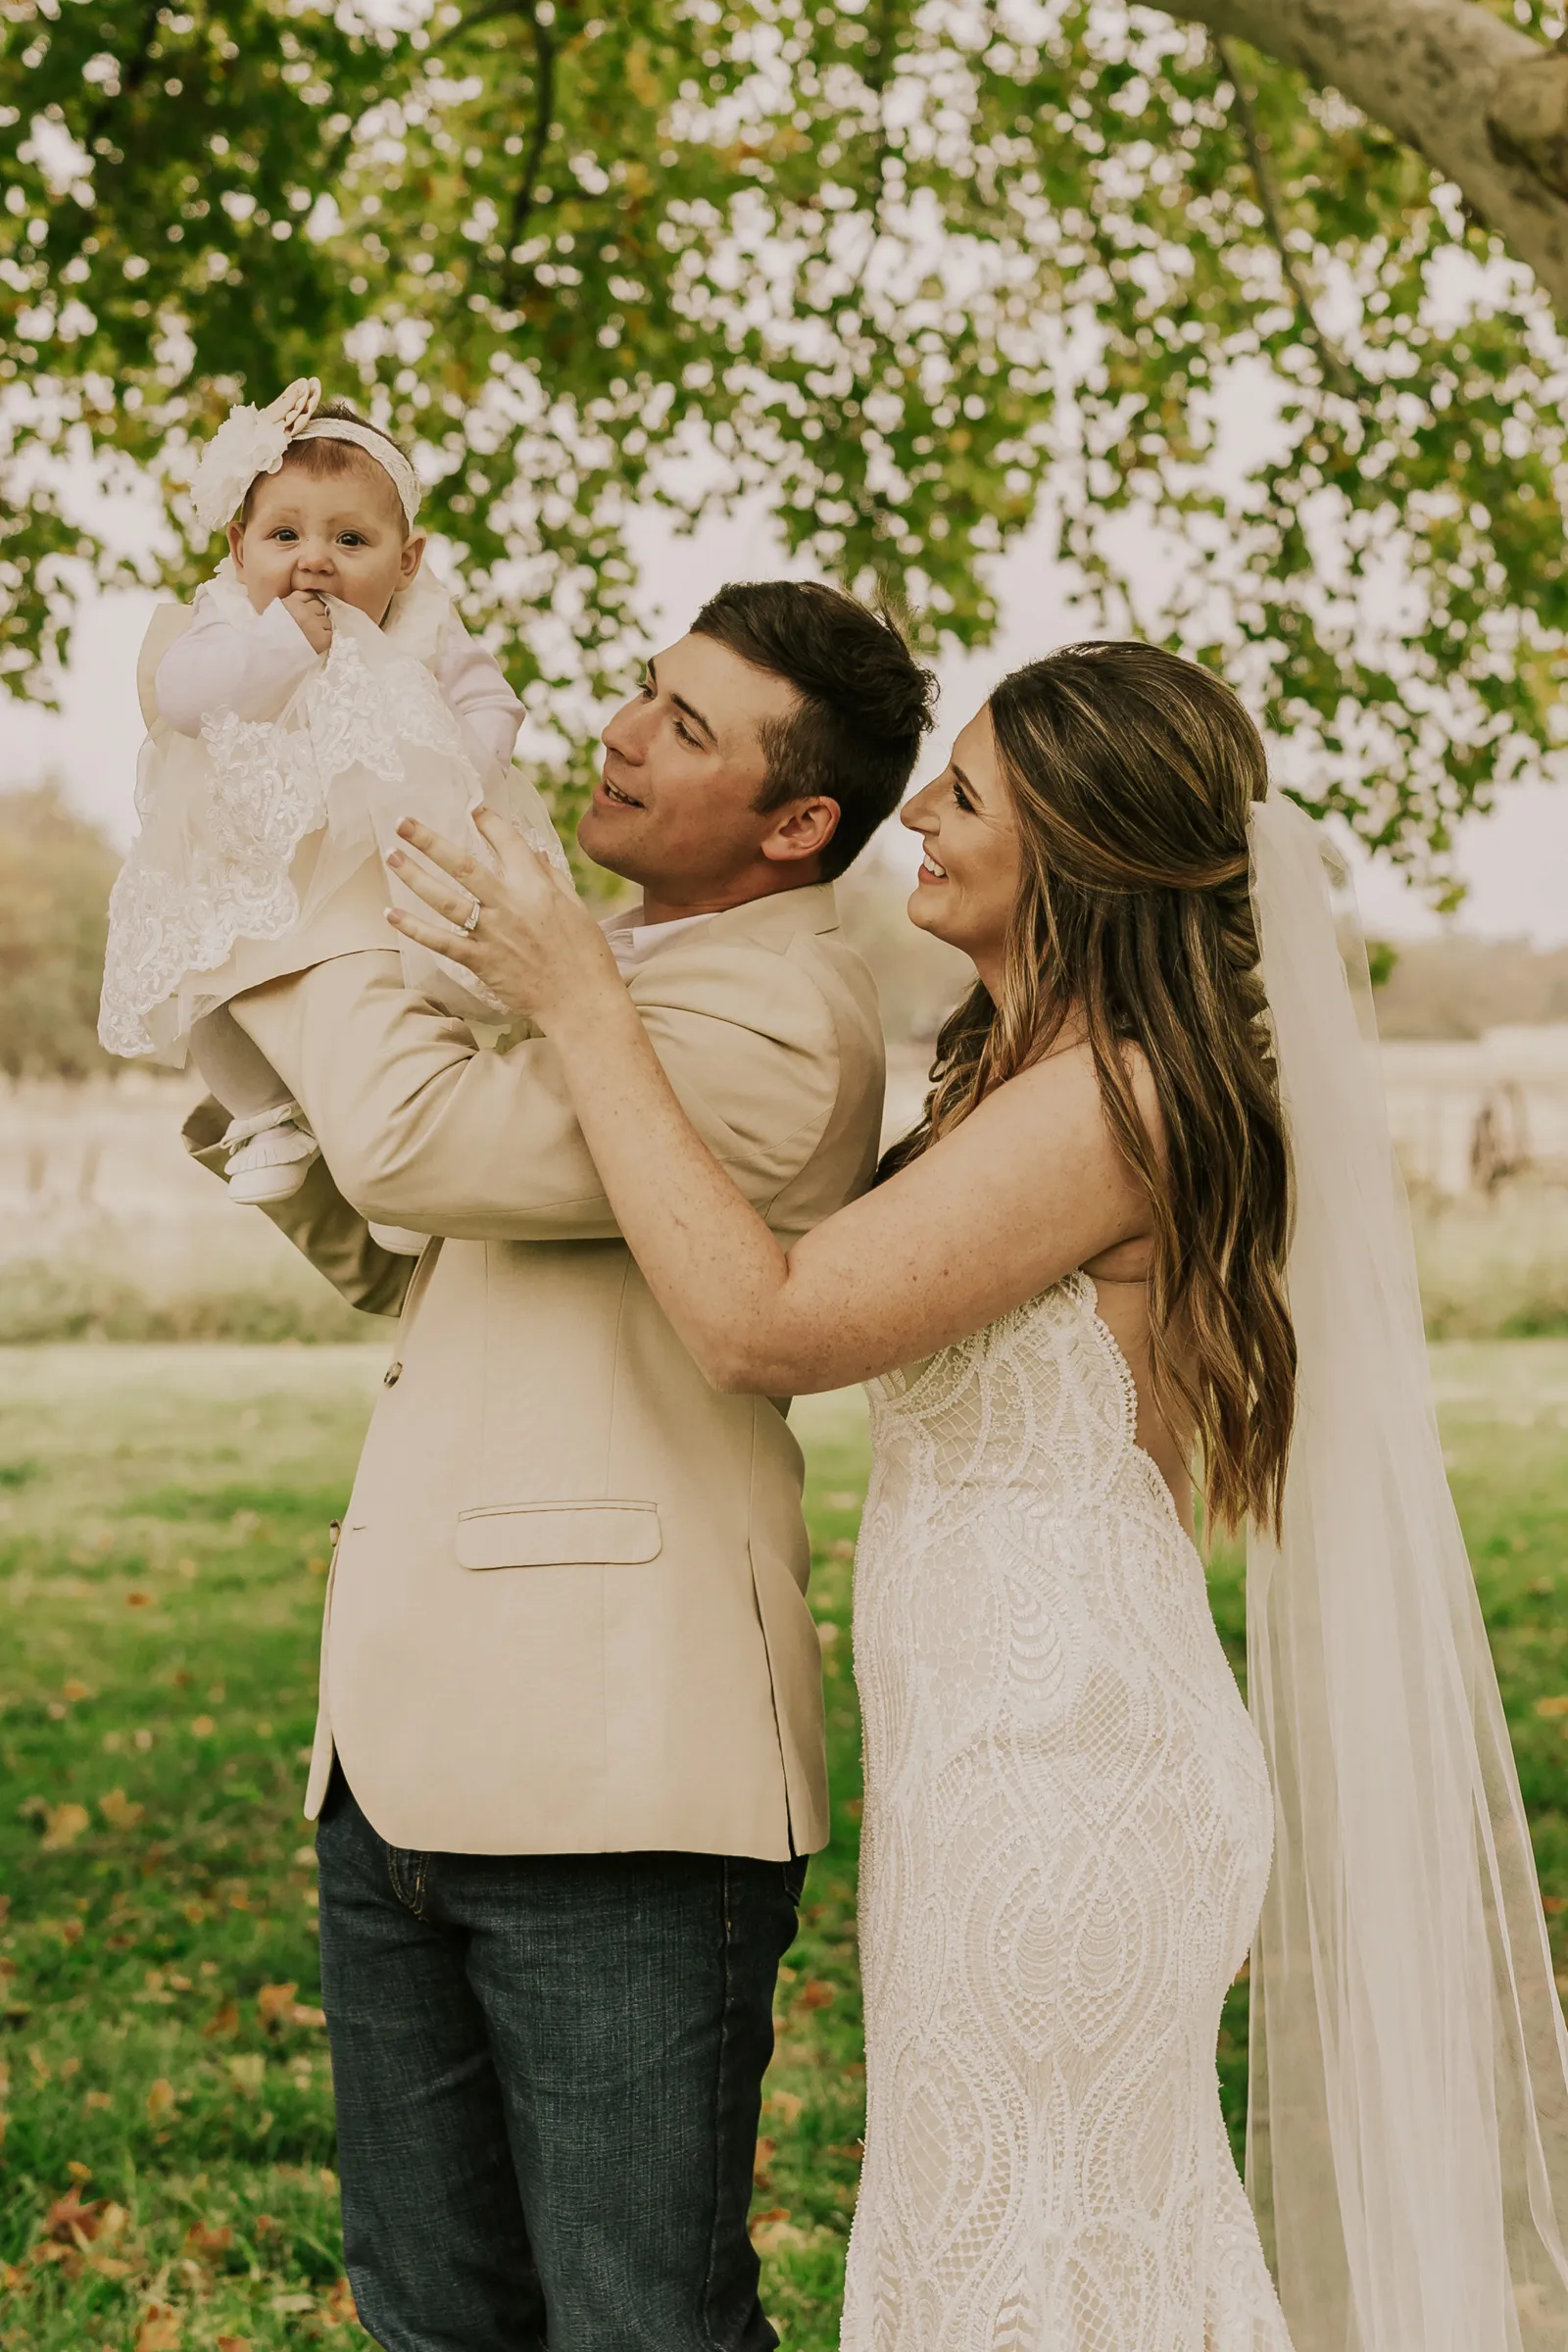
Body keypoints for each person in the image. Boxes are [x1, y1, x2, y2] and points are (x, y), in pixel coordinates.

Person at [393, 637, 1568, 2351]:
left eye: (964, 796)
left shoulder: (1111, 1105)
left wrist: (581, 996)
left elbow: (762, 1323)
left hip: (1067, 1773)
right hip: (997, 1761)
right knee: (1032, 2252)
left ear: (1078, 853)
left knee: (1036, 2262)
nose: (913, 824)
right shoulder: (1012, 1077)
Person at [178, 579, 937, 2352]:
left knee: (638, 2323)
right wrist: (266, 1121)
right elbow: (423, 1247)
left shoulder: (777, 1023)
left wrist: (350, 820)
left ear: (797, 821)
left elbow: (420, 1137)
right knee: (435, 2316)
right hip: (397, 1753)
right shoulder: (604, 969)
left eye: (687, 726)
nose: (616, 732)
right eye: (639, 693)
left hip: (619, 1785)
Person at [100, 376, 563, 1243]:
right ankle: (265, 1112)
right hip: (253, 858)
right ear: (239, 547)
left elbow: (492, 702)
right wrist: (281, 647)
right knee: (217, 992)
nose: (313, 559)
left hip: (373, 865)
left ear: (407, 561)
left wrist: (460, 764)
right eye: (285, 534)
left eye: (350, 538)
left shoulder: (424, 625)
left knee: (407, 994)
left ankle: (399, 1171)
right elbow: (186, 699)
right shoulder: (227, 618)